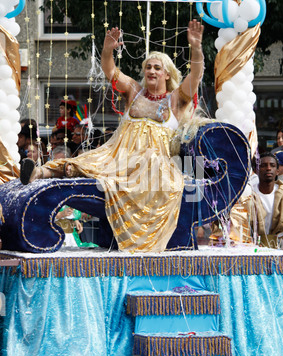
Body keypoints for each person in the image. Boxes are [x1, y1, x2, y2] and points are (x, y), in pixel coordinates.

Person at [19, 20, 204, 253]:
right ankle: (37, 172)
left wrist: (196, 48)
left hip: (151, 164)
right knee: (81, 163)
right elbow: (111, 72)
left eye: (157, 67)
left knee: (150, 170)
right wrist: (108, 50)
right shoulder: (135, 91)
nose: (151, 71)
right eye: (148, 67)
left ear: (167, 74)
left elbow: (195, 78)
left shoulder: (175, 99)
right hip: (118, 156)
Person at [226, 152, 283, 248]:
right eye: (263, 165)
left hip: (278, 246)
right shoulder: (245, 194)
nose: (268, 168)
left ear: (277, 171)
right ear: (256, 170)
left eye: (272, 165)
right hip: (249, 247)